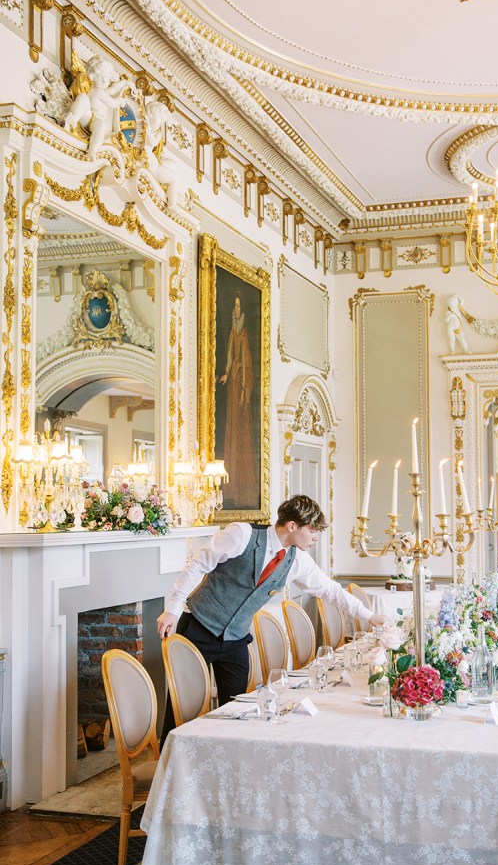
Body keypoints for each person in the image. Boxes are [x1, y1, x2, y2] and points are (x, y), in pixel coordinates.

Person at [157, 494, 390, 733]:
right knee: (180, 708)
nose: (315, 537)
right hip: (198, 627)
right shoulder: (241, 534)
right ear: (292, 526)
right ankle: (167, 766)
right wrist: (172, 610)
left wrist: (369, 616)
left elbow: (330, 590)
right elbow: (197, 565)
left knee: (237, 711)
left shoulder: (297, 560)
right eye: (312, 530)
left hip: (235, 640)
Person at [219, 293, 258, 509]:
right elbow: (230, 359)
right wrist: (226, 374)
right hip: (233, 384)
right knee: (231, 431)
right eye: (233, 307)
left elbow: (247, 364)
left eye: (238, 307)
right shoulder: (233, 335)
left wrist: (245, 390)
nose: (235, 310)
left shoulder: (243, 335)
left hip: (240, 388)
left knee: (240, 432)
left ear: (241, 313)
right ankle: (231, 489)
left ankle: (243, 489)